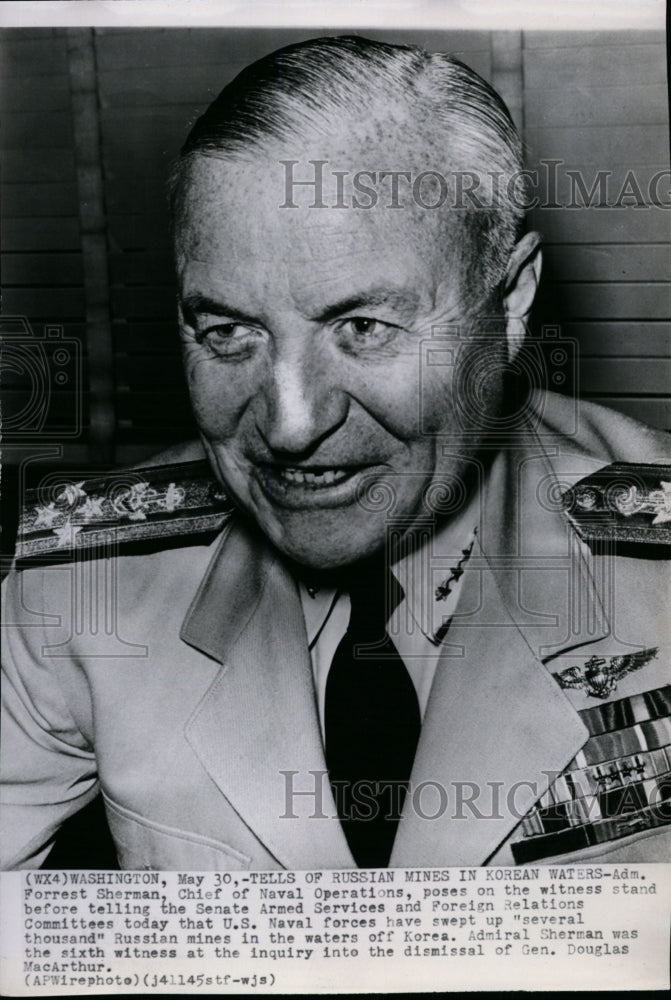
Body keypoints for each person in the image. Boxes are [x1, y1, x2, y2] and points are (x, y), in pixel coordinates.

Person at [1, 35, 669, 871]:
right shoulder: (79, 579)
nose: (287, 426)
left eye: (363, 329)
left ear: (510, 303)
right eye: (227, 333)